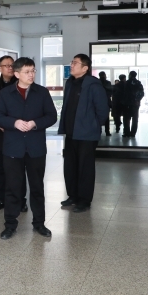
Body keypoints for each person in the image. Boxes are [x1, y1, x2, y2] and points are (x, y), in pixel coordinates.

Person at [0, 57, 58, 239]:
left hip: (35, 148)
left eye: (33, 71)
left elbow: (52, 116)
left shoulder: (42, 92)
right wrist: (14, 122)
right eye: (27, 72)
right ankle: (10, 225)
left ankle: (39, 224)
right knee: (12, 187)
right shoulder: (5, 93)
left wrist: (35, 123)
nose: (31, 75)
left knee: (37, 187)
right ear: (16, 74)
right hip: (13, 148)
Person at [59, 54, 109, 213]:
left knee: (85, 168)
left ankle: (84, 200)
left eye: (75, 63)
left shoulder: (93, 85)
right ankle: (73, 195)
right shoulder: (70, 83)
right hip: (71, 133)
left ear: (85, 68)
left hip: (87, 135)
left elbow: (103, 111)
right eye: (72, 62)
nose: (71, 65)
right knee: (70, 166)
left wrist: (92, 125)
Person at [0, 56, 26, 212]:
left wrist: (13, 124)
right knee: (1, 169)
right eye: (6, 65)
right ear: (0, 68)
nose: (9, 67)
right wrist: (0, 124)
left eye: (12, 65)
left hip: (17, 133)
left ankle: (21, 200)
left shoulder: (21, 84)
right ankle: (1, 199)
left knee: (18, 169)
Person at [122, 71, 144, 137]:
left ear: (130, 75)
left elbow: (123, 94)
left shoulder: (126, 83)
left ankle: (127, 132)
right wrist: (137, 100)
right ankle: (133, 133)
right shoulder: (138, 83)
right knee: (135, 119)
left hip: (127, 103)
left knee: (126, 119)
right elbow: (142, 93)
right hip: (135, 104)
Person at [98, 71, 113, 136]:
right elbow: (111, 92)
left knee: (98, 117)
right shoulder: (108, 83)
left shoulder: (97, 82)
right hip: (106, 101)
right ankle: (107, 131)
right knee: (107, 117)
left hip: (98, 101)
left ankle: (99, 131)